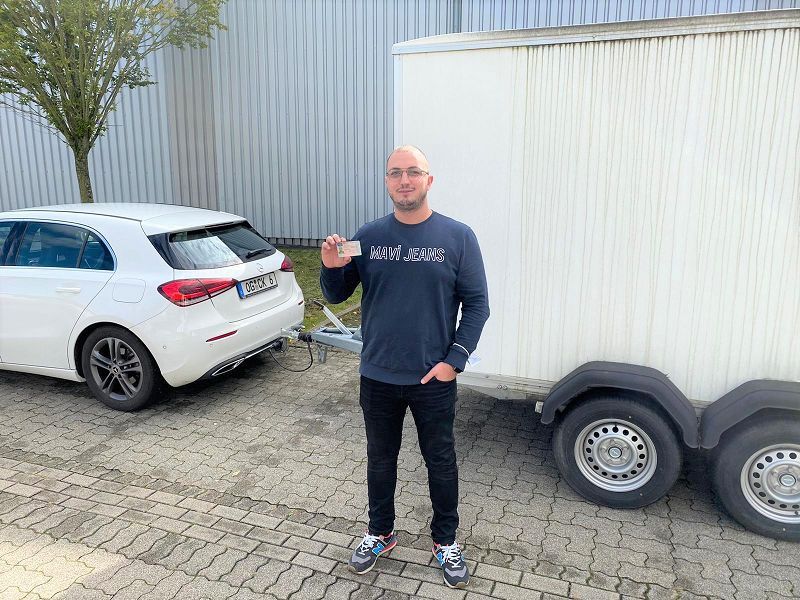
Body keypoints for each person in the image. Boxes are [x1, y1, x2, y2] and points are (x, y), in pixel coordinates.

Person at [319, 145, 490, 589]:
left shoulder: (458, 236)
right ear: (387, 182)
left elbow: (477, 305)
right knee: (380, 460)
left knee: (441, 461)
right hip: (378, 374)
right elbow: (337, 294)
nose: (404, 180)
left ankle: (445, 540)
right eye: (395, 173)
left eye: (413, 172)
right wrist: (330, 268)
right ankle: (380, 533)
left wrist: (455, 361)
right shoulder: (368, 236)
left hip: (432, 378)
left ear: (429, 180)